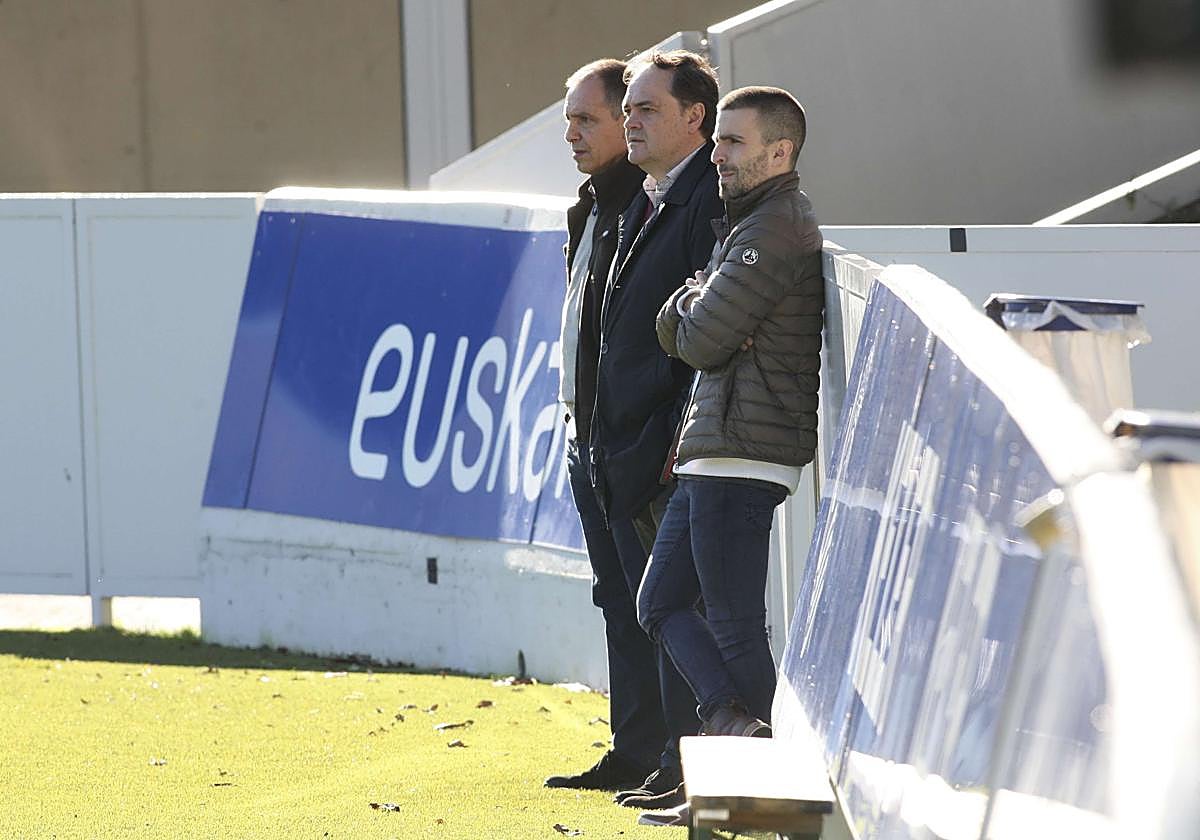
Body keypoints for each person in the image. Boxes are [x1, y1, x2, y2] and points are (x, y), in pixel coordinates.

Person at [554, 50, 726, 811]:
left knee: (666, 604)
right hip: (597, 433)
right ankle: (640, 751)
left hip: (649, 442)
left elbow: (701, 337)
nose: (588, 131)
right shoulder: (605, 203)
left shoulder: (676, 203)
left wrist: (664, 435)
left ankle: (679, 759)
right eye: (587, 118)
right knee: (622, 598)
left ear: (695, 117)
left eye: (618, 112)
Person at [639, 84, 823, 755]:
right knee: (658, 603)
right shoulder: (749, 218)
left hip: (742, 453)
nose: (716, 153)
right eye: (717, 139)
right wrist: (689, 304)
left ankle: (777, 783)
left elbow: (699, 341)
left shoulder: (778, 224)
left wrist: (691, 309)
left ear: (779, 152)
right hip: (715, 448)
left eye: (733, 141)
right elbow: (687, 322)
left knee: (735, 625)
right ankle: (730, 723)